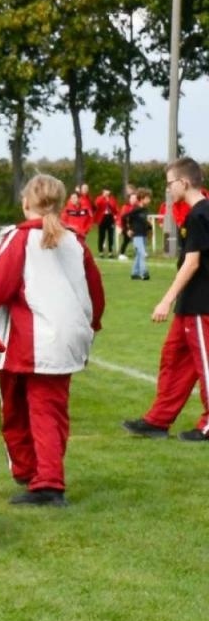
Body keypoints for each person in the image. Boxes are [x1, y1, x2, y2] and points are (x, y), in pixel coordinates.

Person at [0, 173, 105, 506]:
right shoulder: (75, 241)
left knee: (27, 409)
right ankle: (36, 472)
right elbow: (95, 291)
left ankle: (46, 480)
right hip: (64, 338)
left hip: (32, 339)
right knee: (49, 410)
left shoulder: (19, 238)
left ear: (25, 201)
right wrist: (93, 324)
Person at [121, 156, 209, 442]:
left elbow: (192, 263)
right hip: (189, 304)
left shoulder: (200, 214)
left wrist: (166, 299)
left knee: (204, 363)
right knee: (174, 359)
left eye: (170, 183)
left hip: (201, 303)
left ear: (184, 182)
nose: (168, 190)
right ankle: (158, 420)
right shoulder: (193, 213)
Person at [124, 188, 153, 279]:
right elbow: (124, 217)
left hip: (143, 235)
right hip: (137, 235)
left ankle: (134, 273)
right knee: (142, 253)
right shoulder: (136, 210)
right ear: (141, 198)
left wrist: (149, 228)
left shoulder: (145, 210)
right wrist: (127, 229)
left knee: (139, 254)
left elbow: (144, 222)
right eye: (147, 198)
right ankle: (144, 273)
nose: (149, 200)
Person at [94, 187, 119, 256]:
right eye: (105, 191)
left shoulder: (112, 199)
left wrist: (109, 202)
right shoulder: (99, 198)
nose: (107, 192)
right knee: (102, 235)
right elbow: (97, 204)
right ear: (103, 191)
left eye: (108, 191)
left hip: (110, 217)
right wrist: (103, 197)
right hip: (102, 218)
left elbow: (115, 208)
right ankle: (101, 251)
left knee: (111, 235)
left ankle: (110, 251)